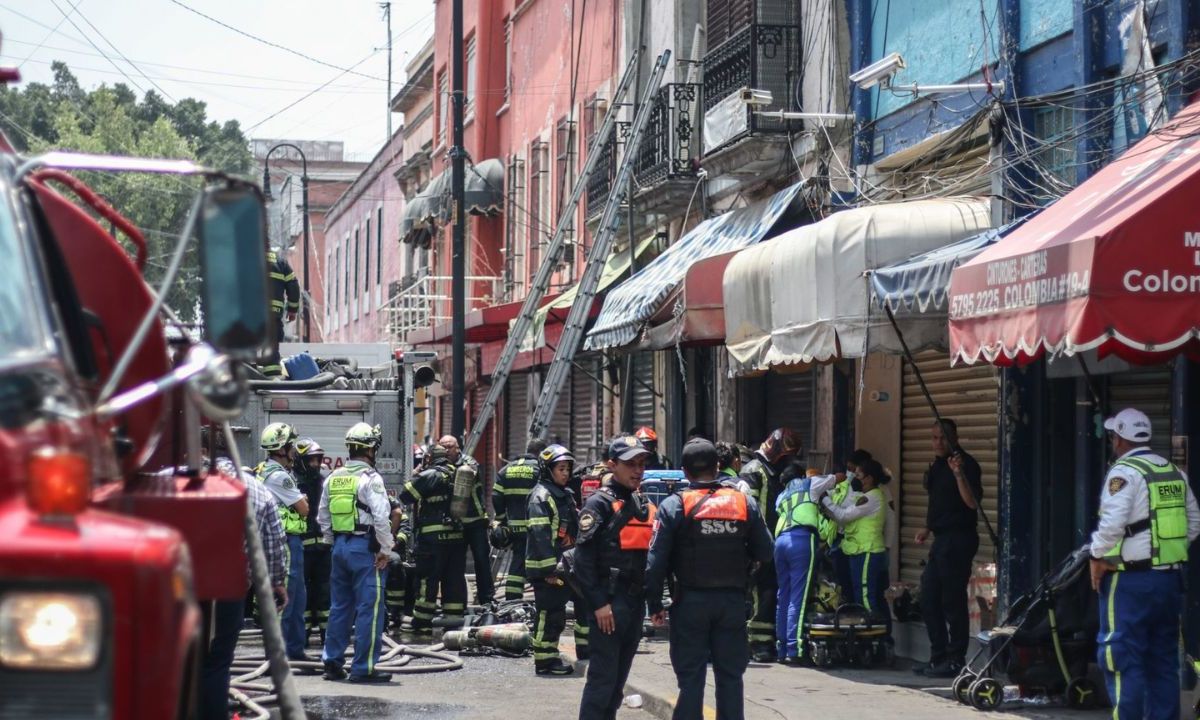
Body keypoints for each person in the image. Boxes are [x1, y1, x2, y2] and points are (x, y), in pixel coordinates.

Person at [645, 438, 773, 720]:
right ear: (717, 467)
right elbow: (766, 550)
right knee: (730, 678)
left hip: (689, 602)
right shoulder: (744, 503)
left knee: (690, 678)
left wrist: (654, 605)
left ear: (684, 472)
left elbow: (655, 562)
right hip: (731, 603)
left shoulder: (674, 506)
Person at [1088, 408, 1200, 720]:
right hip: (1169, 582)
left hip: (1130, 584)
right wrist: (1162, 553)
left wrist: (1097, 556)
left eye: (1113, 435)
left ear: (1119, 438)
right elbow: (1193, 523)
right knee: (1163, 660)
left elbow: (1111, 525)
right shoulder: (1173, 471)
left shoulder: (1124, 472)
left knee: (1121, 656)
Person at [575, 435, 657, 720]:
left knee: (617, 684)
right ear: (612, 465)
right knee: (602, 681)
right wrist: (599, 604)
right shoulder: (598, 504)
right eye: (630, 464)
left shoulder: (639, 501)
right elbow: (583, 561)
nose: (638, 470)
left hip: (633, 604)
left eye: (641, 463)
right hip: (609, 603)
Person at [201, 457, 288, 720]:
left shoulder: (170, 480)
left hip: (179, 590)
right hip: (230, 588)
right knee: (218, 662)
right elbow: (274, 542)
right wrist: (277, 582)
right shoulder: (257, 490)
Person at [318, 422, 395, 683]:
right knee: (370, 609)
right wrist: (385, 550)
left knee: (339, 606)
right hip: (364, 550)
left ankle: (332, 662)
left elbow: (323, 516)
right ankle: (363, 668)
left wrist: (334, 541)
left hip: (339, 548)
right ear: (371, 449)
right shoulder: (370, 479)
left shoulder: (333, 477)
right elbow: (382, 517)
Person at [913, 418, 984, 677]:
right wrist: (928, 527)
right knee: (928, 597)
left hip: (959, 539)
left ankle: (956, 660)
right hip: (941, 539)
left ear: (955, 438)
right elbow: (938, 504)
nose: (938, 443)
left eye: (943, 438)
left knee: (952, 600)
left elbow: (971, 503)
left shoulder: (966, 465)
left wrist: (959, 475)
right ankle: (938, 657)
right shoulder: (936, 467)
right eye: (934, 438)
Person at [737, 427, 801, 662]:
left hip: (781, 541)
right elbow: (748, 510)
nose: (788, 461)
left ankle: (772, 639)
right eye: (785, 456)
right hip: (762, 542)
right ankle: (759, 642)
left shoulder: (778, 471)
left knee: (774, 591)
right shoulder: (754, 471)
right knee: (762, 593)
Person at [526, 444, 589, 674]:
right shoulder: (540, 497)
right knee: (551, 613)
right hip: (549, 567)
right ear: (547, 470)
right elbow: (541, 536)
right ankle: (545, 660)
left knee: (586, 604)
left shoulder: (565, 495)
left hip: (568, 564)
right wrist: (549, 570)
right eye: (561, 468)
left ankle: (587, 650)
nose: (566, 473)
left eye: (567, 468)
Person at [820, 458, 894, 639]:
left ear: (868, 478)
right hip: (856, 551)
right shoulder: (863, 496)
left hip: (868, 551)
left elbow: (844, 516)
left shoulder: (872, 497)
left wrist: (825, 499)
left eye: (858, 475)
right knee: (859, 593)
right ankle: (866, 636)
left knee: (866, 595)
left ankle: (875, 636)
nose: (854, 478)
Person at [773, 462, 838, 664]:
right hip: (801, 540)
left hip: (780, 542)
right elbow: (838, 478)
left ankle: (782, 648)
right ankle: (795, 650)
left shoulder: (781, 497)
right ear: (801, 475)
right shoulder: (810, 483)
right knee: (797, 598)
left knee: (783, 595)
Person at [257, 422, 310, 662]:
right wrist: (303, 502)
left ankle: (295, 651)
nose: (294, 451)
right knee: (287, 600)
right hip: (286, 542)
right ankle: (279, 654)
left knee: (298, 600)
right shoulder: (278, 476)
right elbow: (303, 509)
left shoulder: (267, 471)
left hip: (290, 541)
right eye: (291, 446)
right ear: (282, 449)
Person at [401, 443, 468, 629]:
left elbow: (405, 495)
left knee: (427, 578)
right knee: (453, 578)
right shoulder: (460, 474)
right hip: (456, 538)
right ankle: (453, 619)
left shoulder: (430, 475)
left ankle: (422, 620)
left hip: (432, 540)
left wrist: (417, 473)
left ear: (429, 458)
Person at [441, 435, 495, 606]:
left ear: (458, 448)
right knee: (456, 564)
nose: (447, 450)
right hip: (456, 523)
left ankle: (486, 598)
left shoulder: (469, 463)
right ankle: (458, 601)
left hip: (476, 521)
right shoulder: (439, 466)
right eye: (443, 447)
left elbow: (467, 474)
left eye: (450, 446)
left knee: (481, 560)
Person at [493, 439, 548, 600]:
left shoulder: (505, 470)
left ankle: (512, 600)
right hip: (536, 527)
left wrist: (502, 520)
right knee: (540, 563)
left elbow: (496, 496)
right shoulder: (540, 469)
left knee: (517, 565)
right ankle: (541, 601)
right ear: (541, 454)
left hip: (515, 529)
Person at [824, 449, 874, 601]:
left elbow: (843, 516)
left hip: (860, 544)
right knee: (843, 582)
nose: (850, 472)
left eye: (853, 469)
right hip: (839, 540)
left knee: (859, 586)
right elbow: (832, 498)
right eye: (848, 468)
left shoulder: (873, 492)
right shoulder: (844, 484)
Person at [295, 437, 331, 645]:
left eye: (318, 460)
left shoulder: (324, 479)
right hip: (302, 546)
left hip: (324, 546)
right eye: (311, 460)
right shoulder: (291, 481)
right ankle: (303, 635)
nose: (316, 464)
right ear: (301, 460)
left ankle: (327, 635)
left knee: (325, 591)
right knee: (304, 593)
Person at [262, 248, 300, 378]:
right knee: (271, 351)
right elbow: (293, 285)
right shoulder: (280, 262)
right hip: (273, 316)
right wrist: (292, 309)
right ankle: (272, 380)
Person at [385, 495, 413, 629]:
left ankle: (394, 610)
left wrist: (396, 542)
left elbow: (405, 529)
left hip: (391, 549)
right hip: (371, 548)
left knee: (395, 563)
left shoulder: (393, 505)